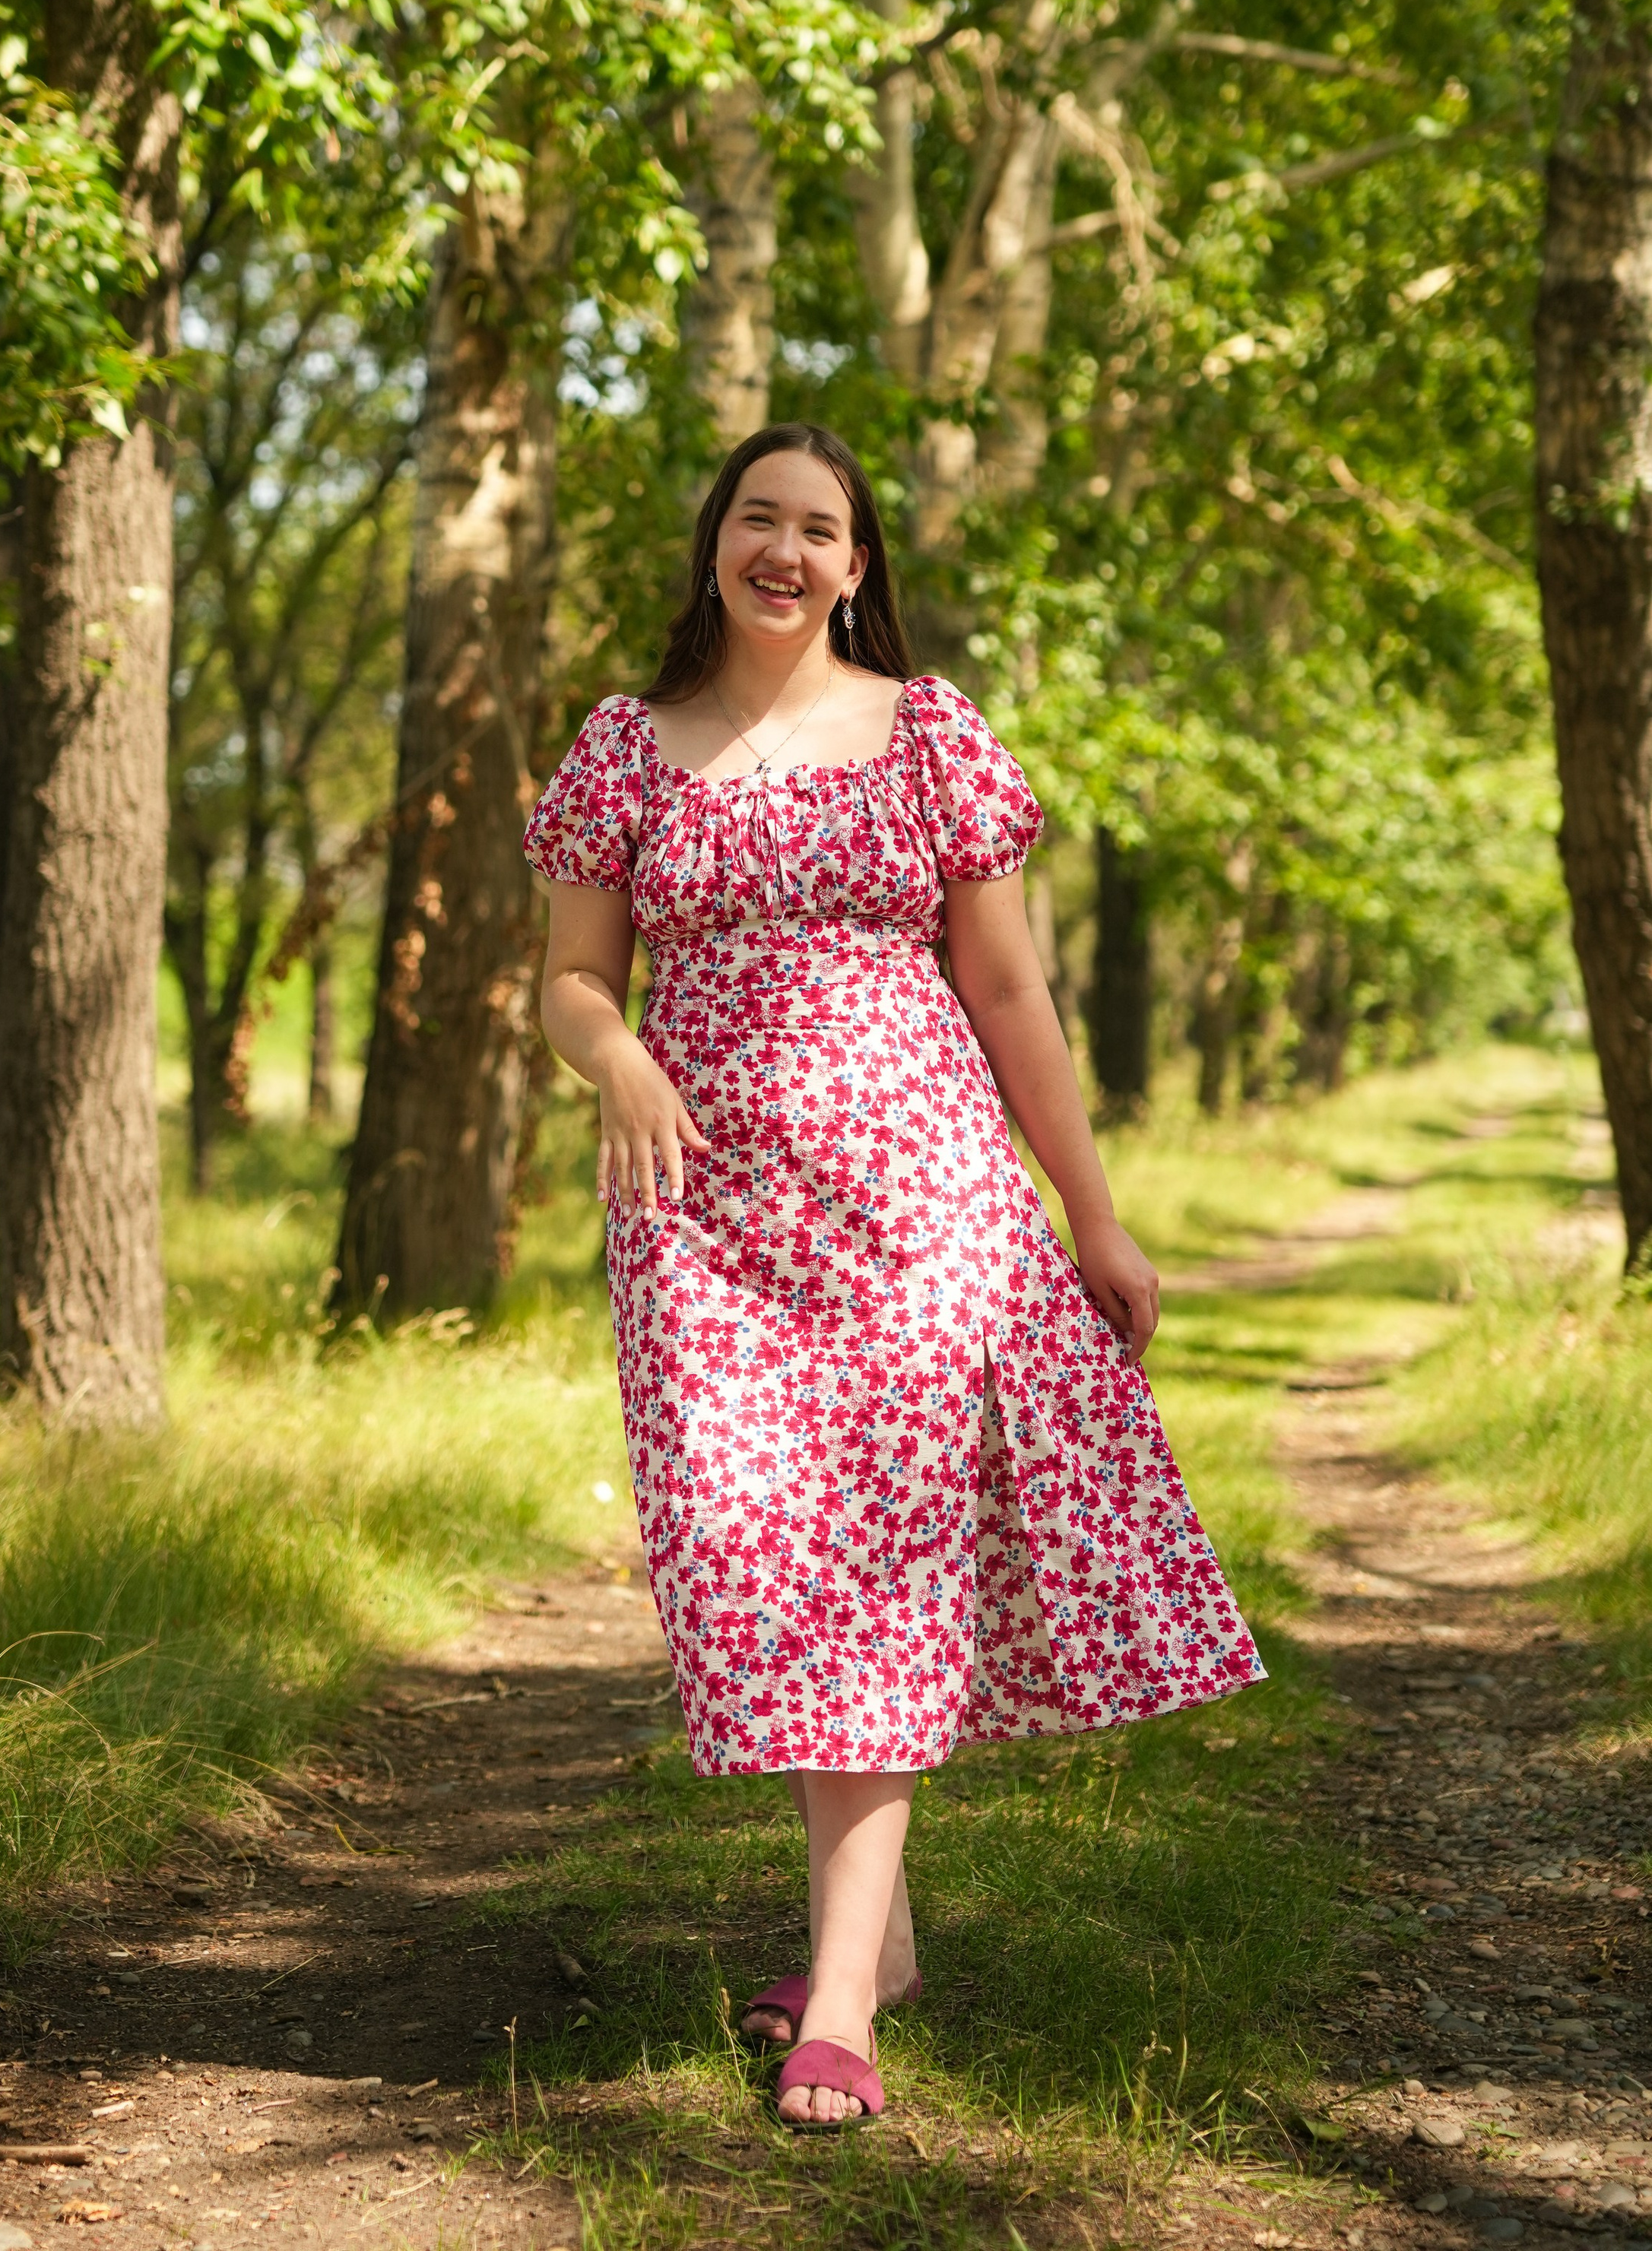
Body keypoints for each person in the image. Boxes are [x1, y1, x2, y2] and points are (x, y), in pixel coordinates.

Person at [524, 422, 1262, 2132]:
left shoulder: (928, 735)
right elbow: (568, 979)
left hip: (921, 1209)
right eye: (756, 520)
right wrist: (615, 1057)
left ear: (859, 568)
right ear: (713, 542)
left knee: (869, 1568)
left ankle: (841, 1991)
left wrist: (1091, 1214)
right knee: (744, 1549)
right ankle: (885, 1936)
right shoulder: (625, 749)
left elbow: (1010, 996)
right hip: (698, 1221)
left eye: (820, 530)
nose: (784, 551)